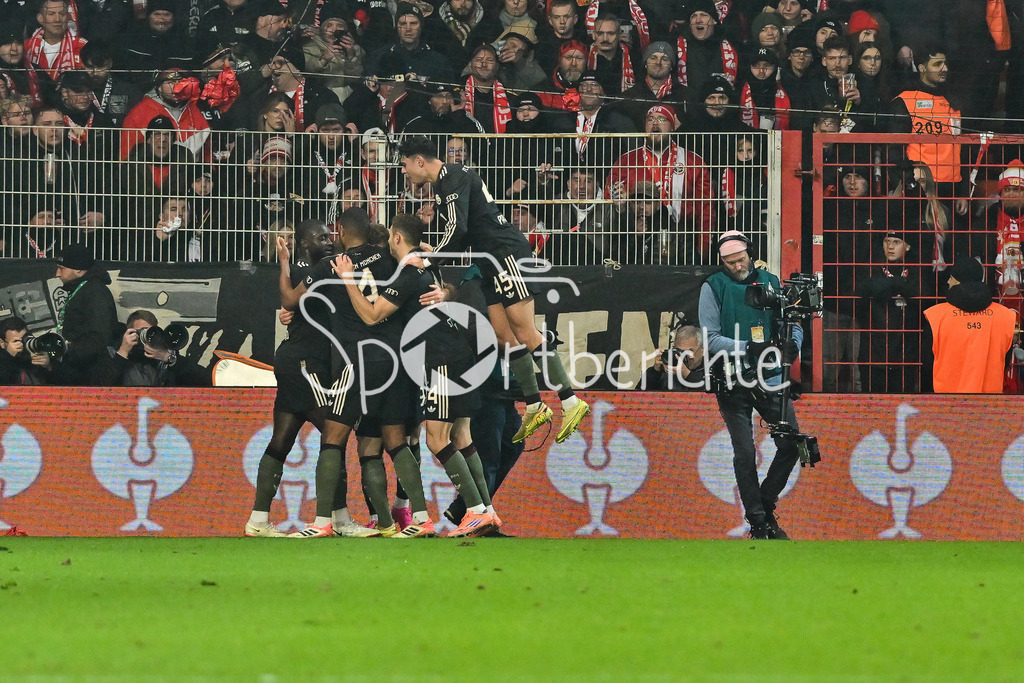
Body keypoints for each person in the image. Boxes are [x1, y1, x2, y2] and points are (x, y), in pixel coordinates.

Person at [397, 135, 591, 445]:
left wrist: (431, 258)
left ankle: (570, 401)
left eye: (405, 165)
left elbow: (457, 229)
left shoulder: (452, 176)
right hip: (489, 262)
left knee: (526, 333)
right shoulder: (449, 183)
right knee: (504, 337)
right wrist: (435, 251)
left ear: (419, 161)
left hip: (506, 254)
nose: (404, 171)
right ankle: (534, 404)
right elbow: (460, 233)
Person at [336, 213, 500, 538]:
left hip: (439, 361)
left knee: (436, 439)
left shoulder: (409, 273)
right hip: (460, 354)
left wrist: (348, 279)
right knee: (461, 437)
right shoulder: (427, 266)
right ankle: (488, 510)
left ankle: (477, 511)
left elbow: (372, 315)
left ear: (396, 238)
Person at [280, 208, 422, 539]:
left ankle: (323, 522)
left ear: (341, 231)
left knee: (333, 438)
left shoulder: (333, 266)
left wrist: (284, 262)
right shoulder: (389, 256)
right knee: (391, 440)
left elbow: (290, 300)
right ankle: (409, 518)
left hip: (354, 361)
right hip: (394, 362)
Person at [245, 219, 378, 538]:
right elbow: (292, 303)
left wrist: (284, 268)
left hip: (294, 361)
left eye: (330, 235)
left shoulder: (313, 272)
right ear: (305, 243)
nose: (329, 241)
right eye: (320, 237)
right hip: (309, 366)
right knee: (334, 438)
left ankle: (258, 520)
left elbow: (290, 302)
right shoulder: (325, 272)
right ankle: (339, 520)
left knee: (282, 440)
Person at [699, 230, 803, 540]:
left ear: (750, 254)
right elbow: (710, 338)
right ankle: (759, 522)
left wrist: (793, 346)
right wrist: (747, 347)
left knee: (792, 443)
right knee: (744, 453)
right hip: (731, 379)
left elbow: (792, 322)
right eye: (729, 262)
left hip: (770, 375)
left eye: (740, 259)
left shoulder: (771, 281)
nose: (735, 266)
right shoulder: (713, 286)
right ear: (721, 262)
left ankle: (764, 508)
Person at [924, 256, 1017, 394]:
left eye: (951, 277)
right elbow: (1005, 360)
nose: (948, 281)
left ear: (958, 281)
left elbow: (927, 364)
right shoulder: (1004, 316)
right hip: (989, 403)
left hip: (946, 402)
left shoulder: (936, 316)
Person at [855, 230, 924, 393]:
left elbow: (922, 295)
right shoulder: (870, 267)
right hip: (874, 353)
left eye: (897, 242)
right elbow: (866, 289)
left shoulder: (918, 269)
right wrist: (901, 284)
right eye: (887, 241)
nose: (890, 247)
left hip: (906, 353)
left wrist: (888, 286)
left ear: (907, 247)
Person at [50, 242, 118, 386]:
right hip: (79, 369)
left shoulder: (96, 292)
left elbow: (99, 337)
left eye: (61, 268)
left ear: (79, 270)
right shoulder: (84, 289)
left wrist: (68, 350)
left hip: (91, 374)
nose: (57, 274)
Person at [100, 309, 209, 386]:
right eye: (141, 332)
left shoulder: (161, 355)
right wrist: (123, 352)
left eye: (150, 332)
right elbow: (100, 387)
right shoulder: (113, 353)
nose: (146, 337)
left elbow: (205, 380)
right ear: (128, 333)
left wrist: (168, 357)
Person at [636, 324, 705, 390]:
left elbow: (711, 392)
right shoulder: (668, 370)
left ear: (702, 349)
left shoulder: (710, 368)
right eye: (680, 351)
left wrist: (687, 375)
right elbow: (637, 396)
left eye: (689, 351)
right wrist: (655, 371)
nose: (684, 355)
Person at [0, 316, 52, 385]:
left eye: (25, 338)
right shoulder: (3, 364)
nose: (22, 344)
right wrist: (9, 357)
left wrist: (48, 366)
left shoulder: (33, 353)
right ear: (2, 343)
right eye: (16, 341)